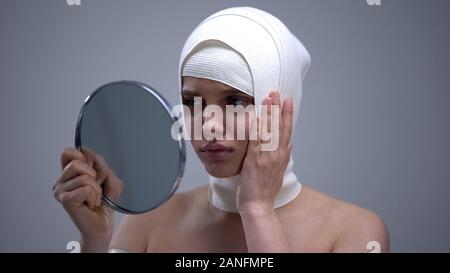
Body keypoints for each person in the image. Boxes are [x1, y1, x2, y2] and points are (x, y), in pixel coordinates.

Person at [53, 7, 389, 253]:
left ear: (286, 104)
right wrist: (95, 242)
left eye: (236, 101)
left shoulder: (354, 231)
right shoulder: (148, 223)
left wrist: (258, 211)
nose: (208, 125)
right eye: (192, 101)